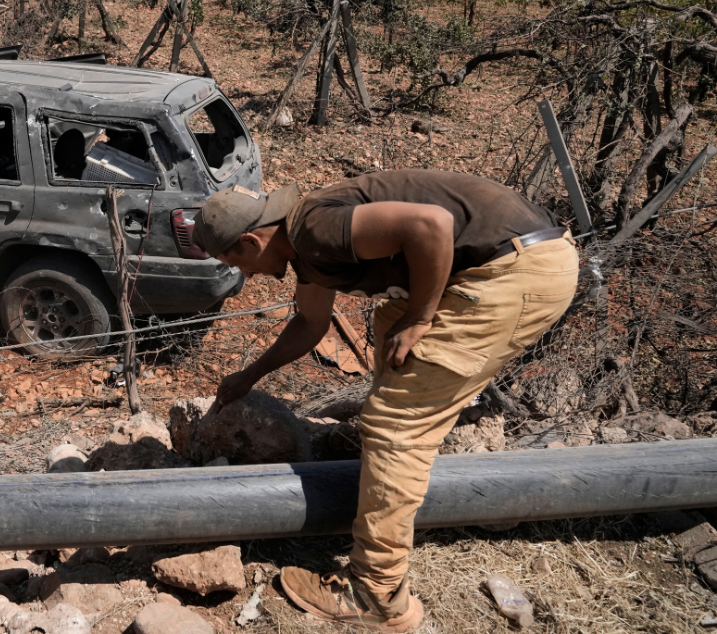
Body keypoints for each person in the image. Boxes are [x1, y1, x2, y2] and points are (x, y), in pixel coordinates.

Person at [193, 169, 579, 633]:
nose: (244, 275)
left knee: (397, 423)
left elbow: (430, 226)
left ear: (252, 243)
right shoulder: (304, 247)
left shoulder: (313, 230)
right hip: (514, 259)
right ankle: (384, 488)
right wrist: (250, 375)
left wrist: (422, 316)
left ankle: (374, 593)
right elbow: (310, 324)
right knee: (391, 320)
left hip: (513, 271)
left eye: (235, 262)